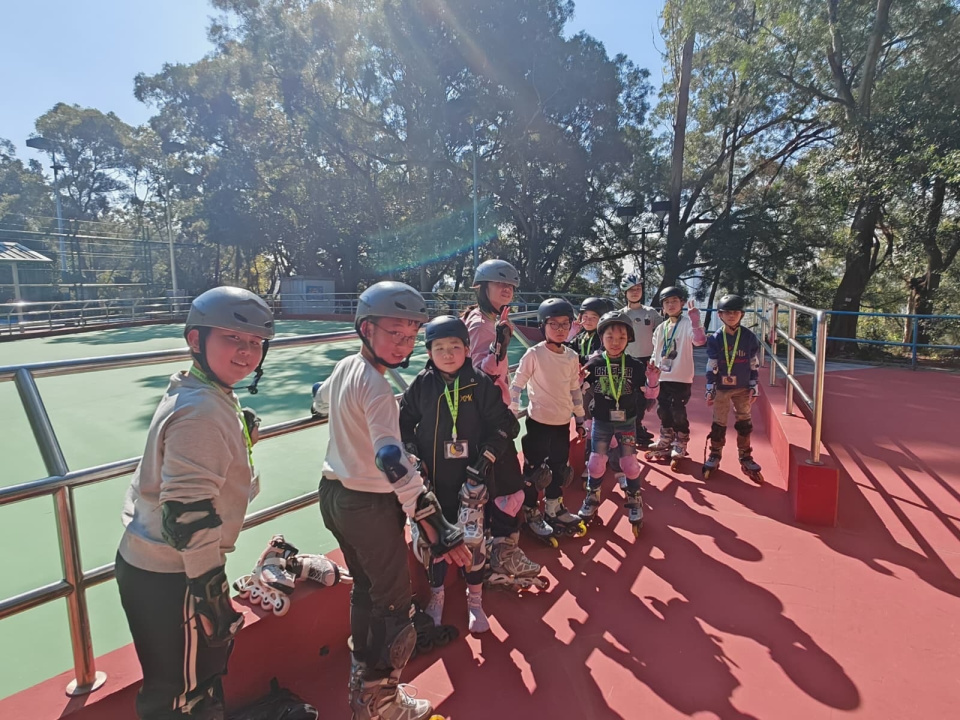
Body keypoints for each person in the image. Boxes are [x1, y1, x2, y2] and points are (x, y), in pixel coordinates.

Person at [312, 281, 471, 720]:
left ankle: (362, 684)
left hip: (334, 495)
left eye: (411, 335)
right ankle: (380, 701)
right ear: (366, 329)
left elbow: (319, 400)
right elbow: (389, 458)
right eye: (394, 333)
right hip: (368, 504)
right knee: (395, 606)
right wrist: (432, 520)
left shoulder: (347, 366)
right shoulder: (379, 389)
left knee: (365, 591)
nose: (403, 344)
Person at [116, 286, 275, 719]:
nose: (246, 352)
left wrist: (237, 438)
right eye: (232, 338)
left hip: (161, 564)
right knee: (183, 695)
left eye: (255, 342)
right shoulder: (202, 411)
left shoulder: (202, 389)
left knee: (188, 683)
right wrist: (210, 595)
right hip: (176, 574)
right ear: (195, 339)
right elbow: (188, 514)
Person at [399, 315, 538, 633]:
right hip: (433, 484)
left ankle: (474, 600)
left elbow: (506, 426)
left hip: (472, 482)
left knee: (474, 541)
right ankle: (436, 596)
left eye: (454, 346)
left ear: (466, 348)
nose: (447, 354)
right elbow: (402, 425)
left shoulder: (479, 383)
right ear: (429, 352)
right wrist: (413, 458)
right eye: (439, 348)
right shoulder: (422, 385)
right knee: (433, 544)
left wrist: (485, 460)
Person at [510, 298, 587, 545]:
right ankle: (531, 511)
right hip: (539, 423)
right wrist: (512, 412)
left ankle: (554, 507)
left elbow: (574, 389)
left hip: (562, 423)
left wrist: (580, 418)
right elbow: (517, 384)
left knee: (559, 469)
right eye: (554, 324)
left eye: (565, 324)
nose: (560, 329)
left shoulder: (571, 356)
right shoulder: (534, 354)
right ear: (543, 326)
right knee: (535, 471)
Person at [578, 311, 660, 534]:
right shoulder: (593, 364)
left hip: (627, 423)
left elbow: (650, 396)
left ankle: (634, 497)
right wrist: (576, 382)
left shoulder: (635, 365)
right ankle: (592, 495)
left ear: (629, 339)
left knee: (630, 464)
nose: (615, 342)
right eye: (610, 337)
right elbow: (577, 392)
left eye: (621, 338)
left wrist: (653, 380)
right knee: (595, 462)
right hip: (601, 421)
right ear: (601, 338)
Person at [702, 294, 764, 482]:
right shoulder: (715, 338)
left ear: (742, 314)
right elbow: (712, 364)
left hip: (742, 387)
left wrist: (754, 385)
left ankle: (745, 455)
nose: (731, 316)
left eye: (735, 312)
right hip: (721, 388)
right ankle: (715, 453)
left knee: (744, 422)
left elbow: (753, 363)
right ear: (720, 315)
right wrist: (710, 387)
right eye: (727, 312)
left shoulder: (749, 337)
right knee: (719, 422)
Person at [647, 286, 707, 467]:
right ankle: (666, 437)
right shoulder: (661, 328)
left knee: (678, 410)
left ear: (682, 303)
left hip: (681, 377)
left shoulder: (687, 324)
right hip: (662, 377)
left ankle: (681, 440)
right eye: (667, 302)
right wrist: (652, 370)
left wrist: (696, 322)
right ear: (663, 306)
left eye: (674, 301)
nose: (670, 305)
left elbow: (699, 341)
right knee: (663, 409)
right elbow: (656, 351)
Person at [566, 297, 616, 479]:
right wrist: (571, 334)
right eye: (584, 316)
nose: (587, 320)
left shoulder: (604, 337)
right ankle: (593, 459)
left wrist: (577, 358)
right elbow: (564, 352)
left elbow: (596, 358)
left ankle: (604, 456)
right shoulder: (580, 336)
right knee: (587, 423)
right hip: (583, 386)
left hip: (600, 387)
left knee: (600, 423)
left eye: (593, 317)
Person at [462, 258, 521, 406]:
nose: (507, 288)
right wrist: (499, 347)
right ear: (483, 287)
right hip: (487, 408)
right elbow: (479, 377)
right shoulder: (480, 325)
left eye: (510, 285)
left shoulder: (484, 317)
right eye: (500, 282)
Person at [620, 273, 660, 446]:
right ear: (625, 292)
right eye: (631, 289)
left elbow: (664, 332)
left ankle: (637, 426)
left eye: (638, 288)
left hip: (647, 361)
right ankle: (627, 430)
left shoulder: (651, 312)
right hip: (627, 360)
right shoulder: (620, 314)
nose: (635, 292)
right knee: (627, 397)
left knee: (643, 398)